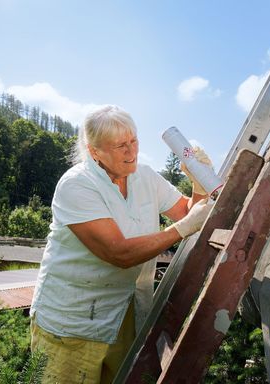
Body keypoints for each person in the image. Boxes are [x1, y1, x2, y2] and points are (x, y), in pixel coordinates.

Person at [30, 104, 213, 384]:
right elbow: (118, 253)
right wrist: (182, 229)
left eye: (134, 141)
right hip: (72, 326)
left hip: (124, 317)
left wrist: (199, 186)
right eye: (120, 146)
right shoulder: (77, 185)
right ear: (95, 152)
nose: (131, 152)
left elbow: (189, 214)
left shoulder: (145, 177)